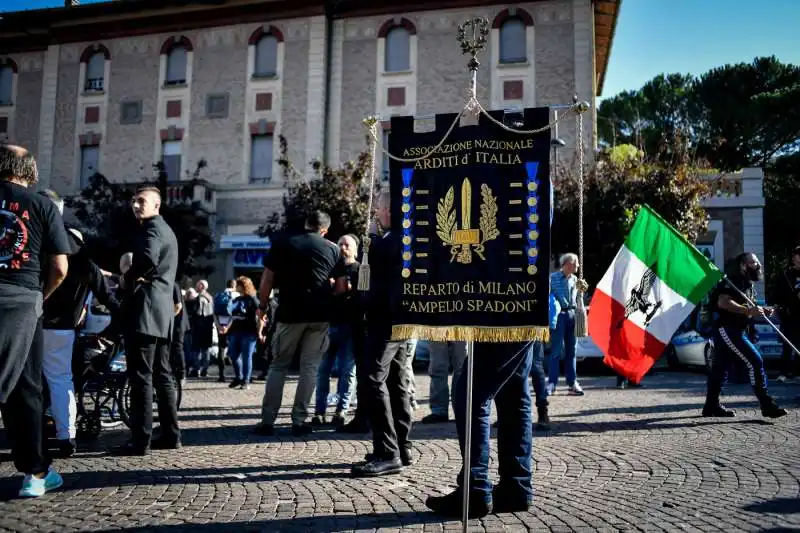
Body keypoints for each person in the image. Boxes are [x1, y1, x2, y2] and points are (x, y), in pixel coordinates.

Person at [0, 144, 71, 497]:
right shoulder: (42, 205)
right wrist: (37, 298)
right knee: (26, 388)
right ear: (29, 170)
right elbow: (60, 267)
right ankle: (36, 474)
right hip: (22, 301)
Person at [40, 190, 118, 457]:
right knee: (62, 380)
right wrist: (117, 326)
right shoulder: (87, 264)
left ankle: (32, 433)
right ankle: (66, 437)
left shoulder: (42, 249)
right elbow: (109, 299)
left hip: (34, 321)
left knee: (26, 381)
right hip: (63, 329)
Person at [255, 211, 343, 436]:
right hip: (320, 315)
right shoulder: (333, 249)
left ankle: (268, 421)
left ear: (306, 224)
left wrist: (262, 306)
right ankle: (299, 420)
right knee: (310, 368)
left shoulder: (284, 243)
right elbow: (341, 287)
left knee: (278, 365)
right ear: (325, 229)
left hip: (290, 312)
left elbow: (267, 279)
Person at [352, 191, 415, 477]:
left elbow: (377, 263)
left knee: (372, 378)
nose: (376, 214)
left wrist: (370, 242)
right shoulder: (397, 238)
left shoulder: (392, 240)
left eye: (378, 209)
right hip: (398, 318)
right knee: (397, 381)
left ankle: (387, 451)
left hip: (386, 318)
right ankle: (401, 445)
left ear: (389, 211)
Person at [117, 186, 181, 455]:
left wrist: (126, 273)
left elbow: (146, 260)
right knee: (162, 375)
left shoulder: (152, 229)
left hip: (145, 310)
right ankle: (170, 434)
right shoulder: (166, 229)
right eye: (133, 201)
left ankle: (140, 439)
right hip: (161, 313)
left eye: (141, 201)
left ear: (157, 206)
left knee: (141, 376)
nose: (135, 205)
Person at [703, 252, 787, 419]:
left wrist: (761, 310)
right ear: (743, 265)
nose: (759, 266)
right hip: (728, 329)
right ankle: (766, 404)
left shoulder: (747, 284)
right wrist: (748, 311)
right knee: (755, 361)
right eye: (754, 263)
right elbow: (723, 302)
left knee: (720, 369)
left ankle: (711, 406)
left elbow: (749, 307)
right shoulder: (732, 281)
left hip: (737, 329)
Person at [313, 234, 361, 427]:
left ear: (355, 249)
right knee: (322, 370)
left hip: (350, 326)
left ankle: (341, 410)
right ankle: (319, 411)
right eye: (339, 244)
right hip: (329, 325)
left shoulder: (359, 269)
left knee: (347, 371)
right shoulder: (330, 268)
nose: (342, 248)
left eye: (346, 245)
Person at [547, 253, 589, 396]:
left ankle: (572, 383)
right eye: (575, 263)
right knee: (556, 351)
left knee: (572, 351)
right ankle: (552, 383)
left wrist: (582, 291)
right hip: (559, 316)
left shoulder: (576, 279)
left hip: (573, 315)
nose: (578, 265)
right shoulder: (552, 279)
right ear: (567, 264)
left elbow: (578, 298)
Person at [219, 276, 260, 390]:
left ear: (244, 286)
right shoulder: (236, 299)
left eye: (238, 285)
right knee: (233, 355)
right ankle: (239, 377)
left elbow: (260, 314)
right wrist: (226, 327)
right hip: (234, 332)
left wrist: (260, 331)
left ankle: (246, 381)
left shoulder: (252, 299)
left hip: (249, 332)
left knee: (247, 357)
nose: (236, 287)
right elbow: (232, 317)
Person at [421, 341, 466, 424]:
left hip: (461, 329)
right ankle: (439, 411)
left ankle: (461, 410)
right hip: (437, 329)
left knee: (462, 368)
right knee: (437, 367)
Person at [775, 246, 800, 382]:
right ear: (793, 258)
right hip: (790, 315)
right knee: (788, 344)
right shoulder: (786, 275)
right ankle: (784, 372)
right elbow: (778, 294)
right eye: (798, 255)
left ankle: (797, 372)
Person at [213, 279, 239, 382]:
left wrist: (219, 326)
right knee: (235, 350)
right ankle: (237, 375)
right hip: (232, 326)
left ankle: (221, 375)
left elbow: (214, 312)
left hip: (220, 324)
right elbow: (236, 314)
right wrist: (228, 326)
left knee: (221, 349)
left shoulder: (219, 295)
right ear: (235, 285)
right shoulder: (237, 295)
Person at [190, 279, 215, 378]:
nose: (196, 286)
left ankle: (196, 369)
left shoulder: (199, 297)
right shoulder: (210, 297)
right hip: (208, 326)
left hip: (199, 325)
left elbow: (198, 312)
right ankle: (205, 369)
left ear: (202, 286)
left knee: (196, 349)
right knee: (206, 349)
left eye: (198, 284)